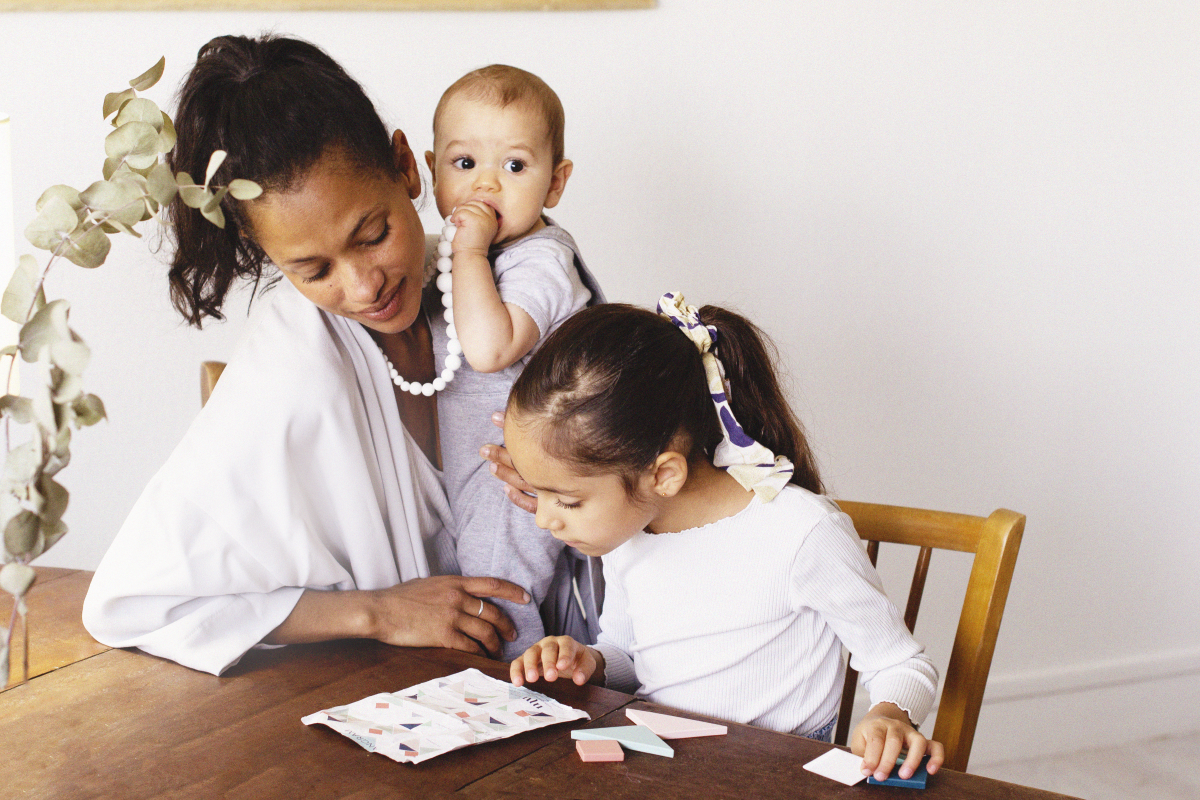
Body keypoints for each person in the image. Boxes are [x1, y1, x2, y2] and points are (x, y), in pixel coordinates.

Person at [81, 33, 603, 676]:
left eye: (374, 234)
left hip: (571, 668)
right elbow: (136, 602)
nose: (364, 287)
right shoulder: (293, 363)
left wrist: (572, 475)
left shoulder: (495, 278)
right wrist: (377, 612)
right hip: (399, 699)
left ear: (408, 167)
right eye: (312, 268)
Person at [505, 294, 945, 784]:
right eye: (535, 494)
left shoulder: (799, 531)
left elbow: (901, 662)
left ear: (664, 474)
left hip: (777, 777)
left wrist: (889, 714)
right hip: (664, 767)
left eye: (566, 501)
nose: (545, 520)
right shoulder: (630, 534)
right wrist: (589, 661)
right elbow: (631, 655)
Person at [420, 65, 599, 658]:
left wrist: (468, 249)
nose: (486, 186)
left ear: (555, 183)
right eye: (464, 164)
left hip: (519, 474)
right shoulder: (458, 255)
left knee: (498, 592)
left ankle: (509, 686)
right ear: (431, 169)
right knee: (460, 582)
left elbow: (492, 348)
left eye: (515, 167)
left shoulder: (540, 261)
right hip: (469, 470)